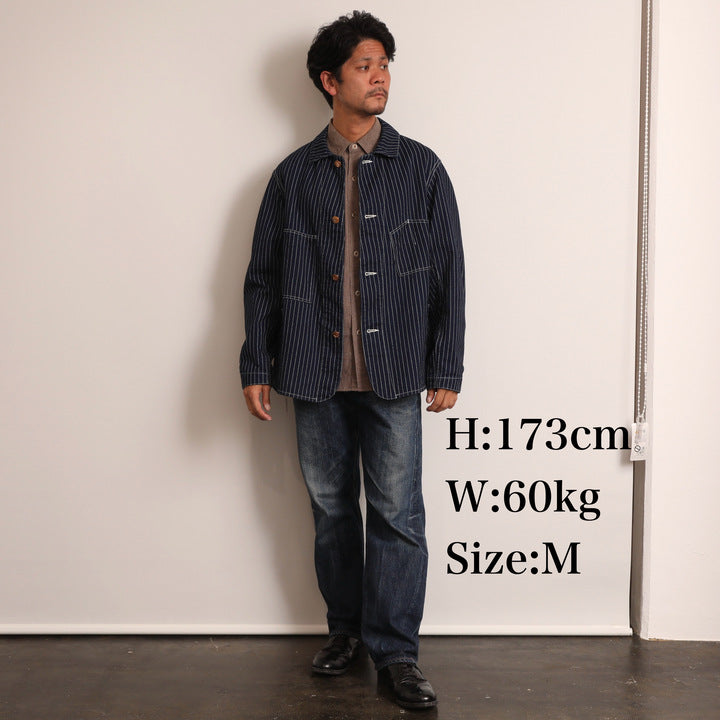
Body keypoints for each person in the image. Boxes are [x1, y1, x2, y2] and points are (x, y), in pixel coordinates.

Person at [240, 10, 464, 711]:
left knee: (398, 514)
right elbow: (263, 277)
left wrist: (446, 367)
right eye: (365, 66)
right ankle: (345, 632)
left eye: (385, 65)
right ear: (329, 81)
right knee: (333, 511)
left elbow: (448, 273)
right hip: (313, 371)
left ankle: (396, 653)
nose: (380, 77)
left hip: (394, 371)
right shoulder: (293, 176)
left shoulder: (421, 168)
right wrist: (256, 362)